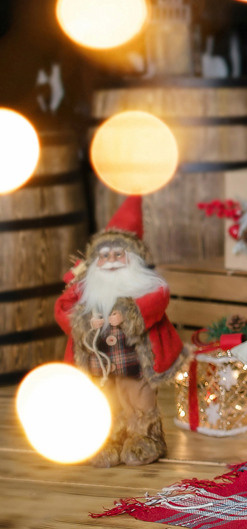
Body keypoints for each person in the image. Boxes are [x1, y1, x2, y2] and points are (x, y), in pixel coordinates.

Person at [53, 195, 185, 467]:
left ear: (132, 258)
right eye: (104, 256)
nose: (111, 260)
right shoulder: (85, 286)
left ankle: (145, 439)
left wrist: (129, 312)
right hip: (97, 358)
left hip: (133, 357)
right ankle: (107, 440)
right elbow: (63, 307)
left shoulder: (147, 285)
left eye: (118, 254)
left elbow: (158, 300)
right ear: (95, 260)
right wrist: (85, 320)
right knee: (105, 399)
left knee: (138, 396)